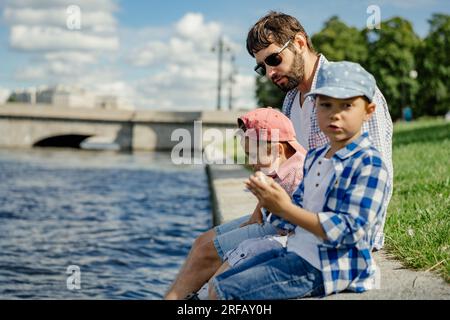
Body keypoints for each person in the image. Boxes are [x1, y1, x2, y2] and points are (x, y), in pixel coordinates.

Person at [164, 11, 393, 300]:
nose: (270, 72)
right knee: (201, 245)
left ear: (299, 43)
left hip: (322, 234)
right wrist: (264, 211)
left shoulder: (350, 94)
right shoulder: (290, 99)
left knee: (213, 265)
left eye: (273, 59)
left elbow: (375, 175)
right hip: (289, 218)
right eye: (262, 67)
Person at [208, 61, 391, 300]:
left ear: (368, 111)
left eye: (346, 105)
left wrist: (285, 208)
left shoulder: (369, 164)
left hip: (329, 266)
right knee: (221, 280)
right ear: (315, 108)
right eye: (325, 104)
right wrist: (272, 204)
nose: (334, 114)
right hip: (301, 250)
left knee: (225, 292)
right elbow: (298, 205)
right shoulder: (316, 156)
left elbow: (349, 231)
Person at [165, 107, 306, 300]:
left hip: (286, 232)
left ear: (278, 149)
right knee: (201, 243)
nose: (250, 162)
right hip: (273, 220)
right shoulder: (282, 162)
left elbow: (302, 219)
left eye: (252, 154)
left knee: (219, 268)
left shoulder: (298, 174)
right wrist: (258, 209)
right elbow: (272, 183)